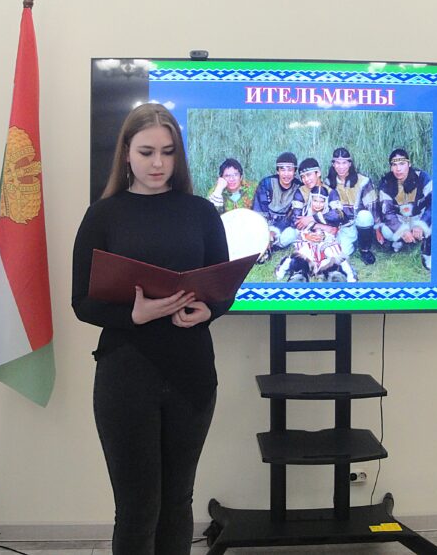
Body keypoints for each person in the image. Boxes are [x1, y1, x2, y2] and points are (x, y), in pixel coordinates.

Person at [72, 103, 232, 555]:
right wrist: (134, 316)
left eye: (168, 152)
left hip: (191, 374)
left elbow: (222, 289)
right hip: (126, 375)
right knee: (138, 508)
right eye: (146, 152)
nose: (158, 163)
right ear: (126, 152)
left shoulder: (202, 212)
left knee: (178, 503)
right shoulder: (103, 215)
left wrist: (209, 311)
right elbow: (82, 303)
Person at [278, 185, 357, 282]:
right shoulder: (304, 211)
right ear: (310, 199)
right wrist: (311, 233)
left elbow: (333, 230)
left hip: (325, 241)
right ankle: (289, 270)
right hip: (307, 240)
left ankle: (348, 274)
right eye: (315, 201)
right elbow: (299, 227)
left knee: (332, 252)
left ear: (326, 201)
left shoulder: (329, 213)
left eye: (321, 201)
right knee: (304, 254)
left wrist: (320, 231)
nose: (318, 205)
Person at [377, 148, 432, 270]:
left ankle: (427, 251)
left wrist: (421, 224)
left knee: (435, 223)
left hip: (419, 217)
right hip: (400, 219)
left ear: (409, 164)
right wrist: (402, 230)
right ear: (391, 167)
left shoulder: (422, 177)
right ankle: (400, 241)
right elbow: (388, 213)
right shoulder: (386, 183)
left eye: (402, 164)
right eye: (394, 165)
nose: (398, 169)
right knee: (386, 231)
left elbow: (434, 204)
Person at [324, 147, 378, 265]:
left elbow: (372, 208)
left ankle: (365, 249)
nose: (341, 167)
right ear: (333, 164)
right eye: (337, 163)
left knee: (365, 216)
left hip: (361, 222)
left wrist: (378, 228)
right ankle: (353, 242)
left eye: (344, 163)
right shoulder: (328, 183)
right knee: (342, 253)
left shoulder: (363, 181)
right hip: (343, 225)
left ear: (350, 164)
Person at [252, 152, 301, 260]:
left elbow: (293, 216)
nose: (286, 174)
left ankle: (270, 247)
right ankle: (264, 245)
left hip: (284, 227)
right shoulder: (267, 183)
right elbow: (259, 210)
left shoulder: (298, 188)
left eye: (290, 170)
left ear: (295, 172)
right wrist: (266, 230)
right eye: (282, 169)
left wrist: (275, 232)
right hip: (266, 223)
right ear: (277, 171)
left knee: (292, 234)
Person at [291, 157, 343, 231]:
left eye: (308, 175)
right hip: (305, 231)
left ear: (318, 173)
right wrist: (322, 226)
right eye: (303, 177)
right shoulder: (301, 192)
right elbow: (296, 220)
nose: (306, 179)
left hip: (328, 232)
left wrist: (312, 218)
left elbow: (338, 214)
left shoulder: (330, 192)